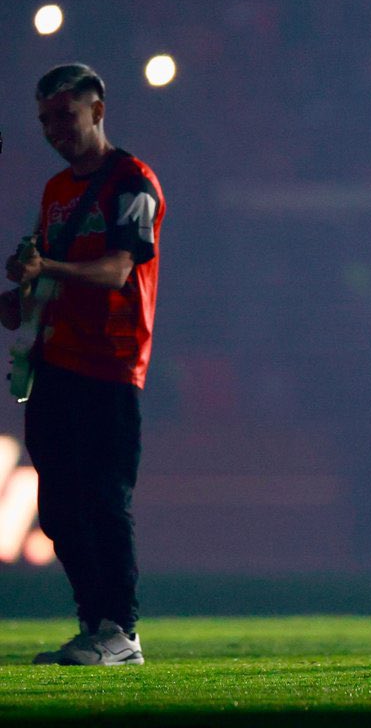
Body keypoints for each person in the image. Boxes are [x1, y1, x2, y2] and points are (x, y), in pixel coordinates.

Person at [1, 64, 165, 665]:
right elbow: (54, 273)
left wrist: (49, 272)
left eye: (65, 116)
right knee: (60, 508)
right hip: (56, 363)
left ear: (98, 110)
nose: (54, 130)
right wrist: (21, 298)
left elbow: (119, 271)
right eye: (45, 120)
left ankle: (122, 630)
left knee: (102, 498)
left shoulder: (131, 181)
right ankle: (96, 624)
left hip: (110, 363)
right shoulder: (56, 191)